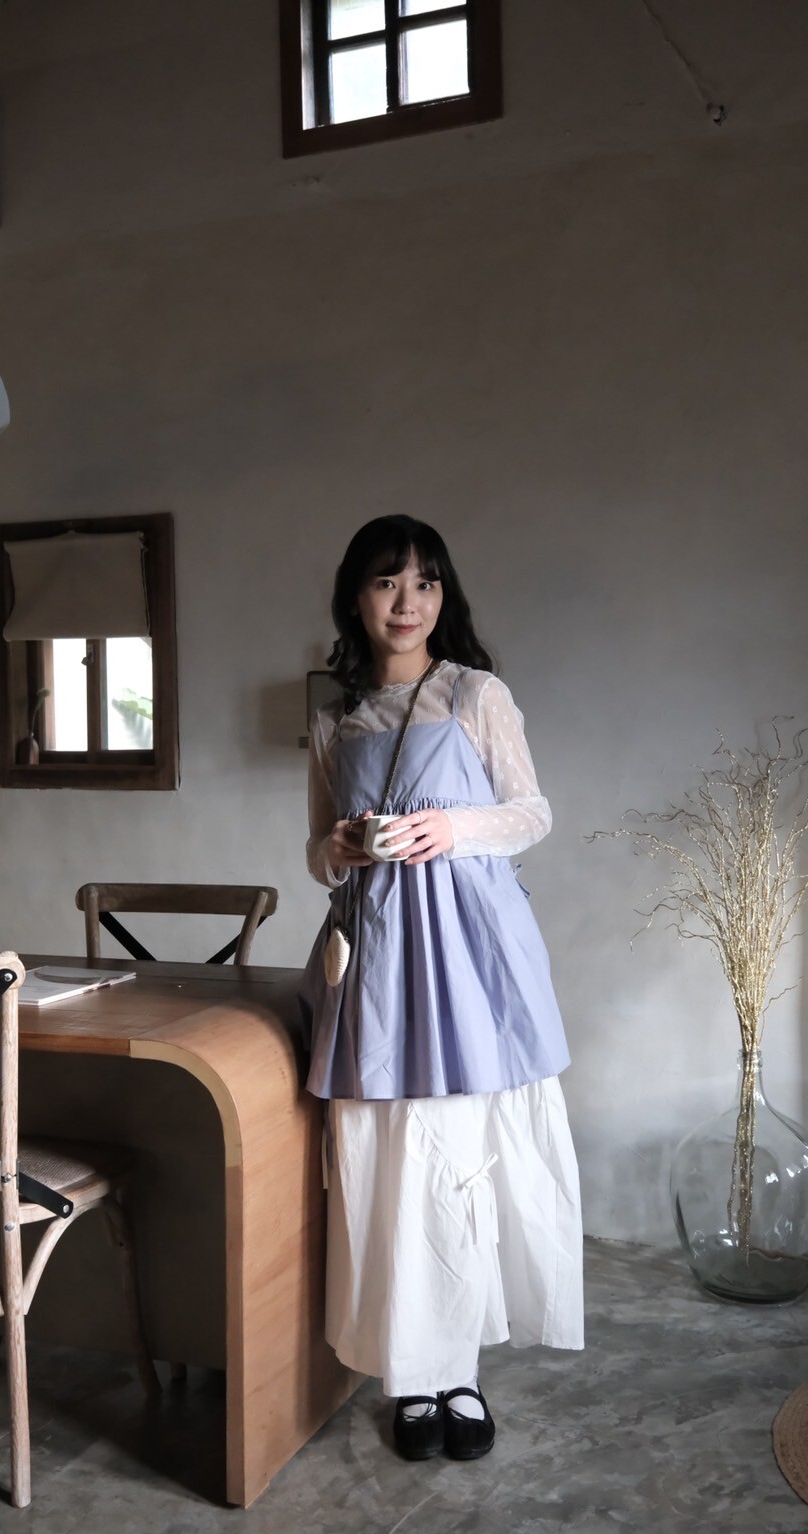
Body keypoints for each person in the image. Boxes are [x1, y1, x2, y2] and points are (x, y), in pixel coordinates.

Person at [300, 515, 583, 1462]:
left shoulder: (473, 694)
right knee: (386, 1151)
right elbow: (315, 853)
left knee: (460, 1146)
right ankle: (411, 1374)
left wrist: (451, 829)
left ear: (443, 596)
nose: (407, 602)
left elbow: (532, 813)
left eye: (425, 583)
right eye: (387, 582)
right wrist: (338, 848)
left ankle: (458, 1370)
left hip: (466, 951)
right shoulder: (334, 719)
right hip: (376, 952)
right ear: (356, 597)